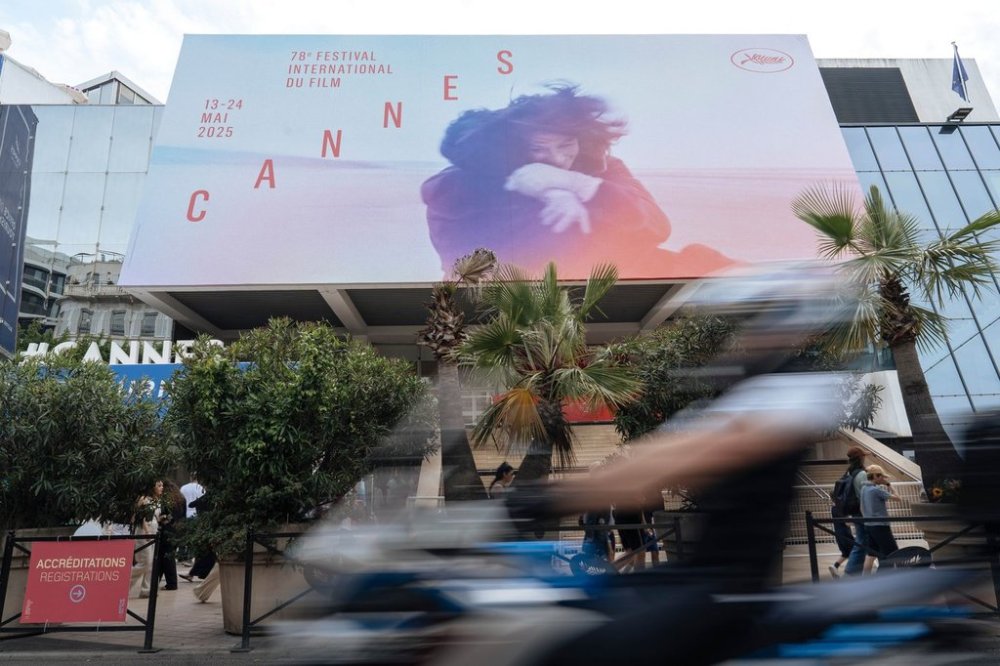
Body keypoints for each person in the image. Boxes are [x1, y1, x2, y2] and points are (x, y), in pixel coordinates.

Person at [506, 261, 860, 664]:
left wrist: (550, 498)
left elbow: (690, 455)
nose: (741, 335)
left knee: (569, 656)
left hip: (728, 589)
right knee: (574, 608)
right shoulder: (748, 389)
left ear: (784, 318)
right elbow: (665, 449)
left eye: (749, 319)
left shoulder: (793, 391)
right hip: (695, 574)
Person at [421, 84, 732, 279]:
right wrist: (542, 188)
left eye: (566, 145)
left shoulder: (604, 168)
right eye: (538, 149)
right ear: (514, 147)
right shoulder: (458, 186)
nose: (556, 159)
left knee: (717, 271)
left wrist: (575, 185)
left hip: (637, 286)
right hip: (532, 312)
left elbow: (658, 227)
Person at [831, 446, 868, 578]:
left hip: (855, 512)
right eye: (863, 456)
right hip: (863, 512)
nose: (865, 458)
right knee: (862, 542)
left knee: (863, 541)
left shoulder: (849, 473)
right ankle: (851, 573)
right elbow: (865, 494)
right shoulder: (862, 474)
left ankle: (855, 573)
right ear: (860, 458)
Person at [861, 464, 900, 571]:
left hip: (869, 525)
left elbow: (861, 507)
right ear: (875, 476)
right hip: (881, 526)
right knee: (892, 553)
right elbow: (898, 498)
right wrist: (889, 485)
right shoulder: (876, 490)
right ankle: (883, 577)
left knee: (871, 554)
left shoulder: (864, 489)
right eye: (881, 476)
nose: (883, 479)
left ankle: (865, 578)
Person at [133, 479, 163, 599]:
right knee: (145, 562)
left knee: (151, 563)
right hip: (144, 533)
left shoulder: (158, 500)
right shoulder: (144, 499)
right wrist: (146, 531)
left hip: (153, 532)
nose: (162, 488)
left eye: (162, 485)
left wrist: (162, 518)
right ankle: (123, 581)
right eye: (159, 485)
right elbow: (140, 517)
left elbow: (156, 517)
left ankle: (147, 590)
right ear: (152, 487)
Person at [156, 480, 186, 591]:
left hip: (166, 531)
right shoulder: (181, 499)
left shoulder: (166, 501)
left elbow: (166, 516)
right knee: (167, 557)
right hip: (177, 531)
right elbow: (182, 516)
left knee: (163, 557)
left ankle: (171, 583)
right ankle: (159, 581)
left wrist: (162, 520)